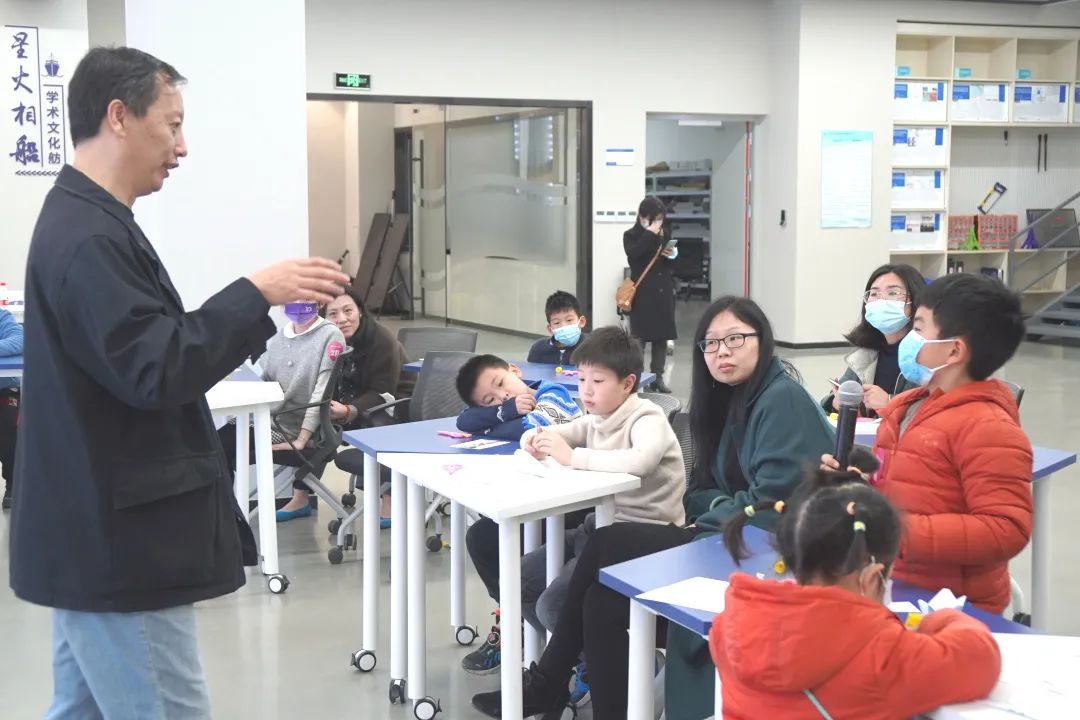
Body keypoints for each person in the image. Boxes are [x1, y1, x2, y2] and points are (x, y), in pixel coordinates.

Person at [10, 46, 349, 719]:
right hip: (117, 543)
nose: (182, 147)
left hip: (92, 533)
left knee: (80, 710)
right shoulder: (89, 238)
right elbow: (156, 367)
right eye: (172, 125)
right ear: (119, 117)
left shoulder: (87, 221)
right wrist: (254, 293)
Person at [471, 297, 835, 719]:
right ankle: (568, 694)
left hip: (764, 553)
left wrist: (713, 509)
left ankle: (547, 683)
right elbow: (699, 491)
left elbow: (772, 507)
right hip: (719, 536)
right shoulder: (726, 400)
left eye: (735, 339)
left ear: (763, 340)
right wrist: (717, 505)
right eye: (711, 343)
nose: (722, 351)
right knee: (599, 601)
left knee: (604, 543)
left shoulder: (781, 399)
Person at [711, 468, 1001, 719]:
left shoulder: (731, 625)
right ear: (873, 577)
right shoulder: (882, 655)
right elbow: (980, 658)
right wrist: (937, 619)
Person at [824, 272, 1032, 614]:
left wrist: (895, 530)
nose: (909, 338)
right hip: (896, 586)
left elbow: (1006, 529)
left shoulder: (990, 428)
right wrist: (857, 489)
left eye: (919, 329)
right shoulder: (905, 410)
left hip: (955, 605)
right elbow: (903, 489)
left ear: (954, 349)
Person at [457, 352, 584, 674]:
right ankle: (514, 620)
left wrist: (492, 424)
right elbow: (464, 421)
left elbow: (532, 429)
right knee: (481, 538)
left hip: (574, 503)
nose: (502, 396)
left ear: (514, 370)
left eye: (501, 383)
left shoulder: (553, 393)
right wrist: (505, 412)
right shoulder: (509, 407)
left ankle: (547, 636)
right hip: (534, 498)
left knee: (513, 537)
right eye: (490, 400)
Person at [322, 286, 411, 523]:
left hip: (394, 405)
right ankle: (300, 495)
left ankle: (390, 500)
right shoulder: (326, 341)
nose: (342, 319)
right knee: (310, 424)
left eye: (348, 310)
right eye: (333, 314)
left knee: (381, 423)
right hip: (353, 403)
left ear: (360, 311)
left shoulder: (381, 339)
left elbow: (383, 392)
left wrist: (348, 410)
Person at [251, 300, 345, 521]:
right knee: (218, 441)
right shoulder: (279, 337)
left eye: (306, 297)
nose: (298, 303)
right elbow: (266, 379)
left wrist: (302, 439)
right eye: (292, 298)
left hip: (291, 428)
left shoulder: (330, 335)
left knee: (222, 448)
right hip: (269, 418)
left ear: (319, 300)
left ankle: (224, 519)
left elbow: (321, 394)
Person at [823, 263, 925, 416]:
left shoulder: (927, 355)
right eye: (874, 294)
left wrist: (890, 402)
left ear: (915, 300)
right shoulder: (866, 353)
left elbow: (934, 408)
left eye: (892, 293)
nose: (881, 300)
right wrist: (835, 402)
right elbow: (826, 405)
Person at [623, 196, 676, 393]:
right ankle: (637, 377)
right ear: (643, 217)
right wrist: (649, 234)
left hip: (663, 293)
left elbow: (669, 265)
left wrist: (672, 255)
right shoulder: (631, 235)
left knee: (661, 338)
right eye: (655, 219)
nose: (658, 223)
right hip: (642, 294)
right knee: (639, 339)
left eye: (661, 219)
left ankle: (657, 377)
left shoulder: (665, 233)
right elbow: (634, 256)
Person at [527, 290, 588, 365]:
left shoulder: (592, 347)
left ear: (581, 322)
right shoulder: (538, 349)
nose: (564, 326)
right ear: (550, 329)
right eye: (556, 322)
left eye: (569, 320)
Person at [0, 307, 22, 509]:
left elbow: (19, 340)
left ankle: (13, 485)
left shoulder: (2, 316)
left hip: (4, 389)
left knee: (9, 432)